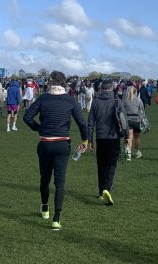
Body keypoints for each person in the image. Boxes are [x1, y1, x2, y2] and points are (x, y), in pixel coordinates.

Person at [23, 71, 89, 231]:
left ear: (51, 83)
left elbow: (27, 117)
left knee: (45, 178)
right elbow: (81, 123)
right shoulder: (69, 100)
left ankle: (45, 208)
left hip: (45, 143)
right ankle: (56, 219)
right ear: (64, 84)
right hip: (62, 145)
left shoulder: (44, 98)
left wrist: (39, 128)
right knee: (60, 182)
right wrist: (85, 140)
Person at [87, 80, 121, 204]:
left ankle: (101, 191)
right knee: (112, 164)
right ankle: (107, 188)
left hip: (100, 137)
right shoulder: (116, 101)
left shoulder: (95, 102)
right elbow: (124, 120)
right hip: (113, 137)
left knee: (101, 165)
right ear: (112, 88)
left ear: (101, 88)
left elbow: (90, 123)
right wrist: (127, 135)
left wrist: (89, 140)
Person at [122, 85, 145, 161]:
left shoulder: (125, 100)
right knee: (137, 137)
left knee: (129, 136)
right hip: (137, 120)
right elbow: (142, 110)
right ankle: (137, 151)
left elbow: (122, 110)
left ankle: (128, 154)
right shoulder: (138, 100)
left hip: (128, 120)